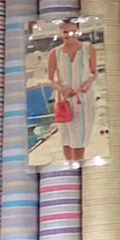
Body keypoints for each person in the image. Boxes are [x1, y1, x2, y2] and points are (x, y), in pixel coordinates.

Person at [45, 18, 98, 164]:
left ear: (78, 31)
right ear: (60, 33)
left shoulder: (89, 49)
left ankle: (78, 166)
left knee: (80, 139)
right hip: (64, 101)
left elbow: (94, 72)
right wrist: (62, 89)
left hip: (84, 100)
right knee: (67, 139)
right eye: (65, 32)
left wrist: (88, 83)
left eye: (72, 31)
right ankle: (70, 166)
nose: (69, 35)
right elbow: (50, 79)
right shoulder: (54, 53)